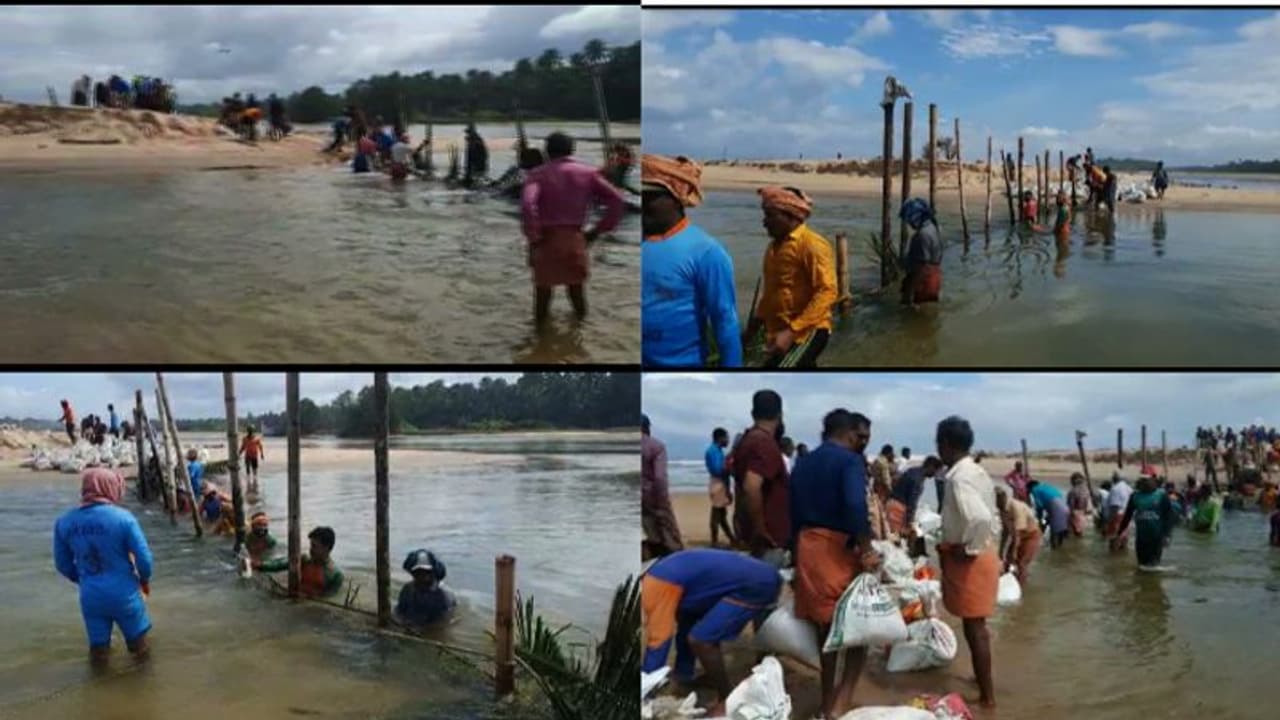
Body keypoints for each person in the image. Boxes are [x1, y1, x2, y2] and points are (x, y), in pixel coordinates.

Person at [788, 409, 879, 719]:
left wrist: (794, 557)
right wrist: (866, 548)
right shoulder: (850, 460)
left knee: (825, 631)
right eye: (861, 437)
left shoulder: (804, 462)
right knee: (858, 627)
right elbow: (855, 505)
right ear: (847, 433)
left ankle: (827, 700)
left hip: (806, 547)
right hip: (836, 549)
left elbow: (794, 511)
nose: (864, 443)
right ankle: (840, 705)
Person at [642, 549, 783, 717]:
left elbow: (659, 640)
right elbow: (684, 620)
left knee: (701, 639)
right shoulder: (660, 572)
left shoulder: (655, 586)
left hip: (758, 585)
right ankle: (684, 675)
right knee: (687, 618)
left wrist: (645, 688)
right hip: (754, 573)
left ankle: (727, 697)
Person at [641, 154, 742, 368]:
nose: (642, 204)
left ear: (676, 198)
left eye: (650, 197)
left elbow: (725, 322)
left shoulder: (707, 252)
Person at [520, 132, 624, 329]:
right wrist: (598, 230)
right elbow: (617, 200)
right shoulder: (587, 173)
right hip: (575, 237)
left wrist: (533, 236)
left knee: (542, 295)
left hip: (546, 239)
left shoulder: (537, 175)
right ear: (572, 150)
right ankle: (581, 336)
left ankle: (540, 340)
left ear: (547, 151)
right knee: (576, 292)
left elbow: (527, 205)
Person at [53, 468, 153, 666]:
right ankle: (145, 690)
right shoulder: (124, 518)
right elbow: (144, 559)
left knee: (98, 650)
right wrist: (144, 579)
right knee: (139, 648)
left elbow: (62, 564)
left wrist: (83, 578)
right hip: (125, 593)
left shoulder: (64, 522)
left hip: (90, 594)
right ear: (111, 487)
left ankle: (96, 688)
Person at [935, 415, 1001, 709]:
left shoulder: (959, 478)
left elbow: (980, 517)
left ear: (946, 444)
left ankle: (988, 697)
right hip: (984, 553)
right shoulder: (976, 472)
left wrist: (968, 548)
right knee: (974, 626)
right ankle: (981, 679)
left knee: (975, 628)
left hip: (972, 558)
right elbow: (992, 516)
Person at [743, 186, 837, 368]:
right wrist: (751, 330)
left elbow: (827, 291)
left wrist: (791, 332)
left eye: (771, 215)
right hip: (780, 332)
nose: (765, 222)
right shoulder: (774, 248)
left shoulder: (811, 244)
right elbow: (772, 293)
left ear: (791, 216)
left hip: (807, 332)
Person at [731, 390, 790, 560]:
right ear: (780, 415)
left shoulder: (747, 439)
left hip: (753, 530)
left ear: (753, 414)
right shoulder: (764, 442)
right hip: (769, 536)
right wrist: (760, 529)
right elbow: (751, 486)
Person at [257, 526, 344, 597]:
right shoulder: (304, 560)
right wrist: (260, 565)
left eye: (314, 546)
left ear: (327, 548)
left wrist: (307, 598)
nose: (311, 549)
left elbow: (328, 598)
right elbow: (279, 564)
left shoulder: (336, 575)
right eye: (310, 545)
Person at [642, 415, 684, 560]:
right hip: (652, 497)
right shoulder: (656, 446)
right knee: (670, 537)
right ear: (647, 428)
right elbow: (659, 478)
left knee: (650, 532)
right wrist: (663, 504)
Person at [1115, 475, 1176, 568]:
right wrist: (1119, 532)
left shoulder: (1161, 495)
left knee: (1154, 566)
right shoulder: (1135, 496)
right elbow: (1127, 516)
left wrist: (1167, 535)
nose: (1146, 483)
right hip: (1141, 538)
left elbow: (1169, 516)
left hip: (1156, 537)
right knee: (1142, 566)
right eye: (1144, 481)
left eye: (1148, 480)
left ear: (1153, 481)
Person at [396, 549, 456, 627]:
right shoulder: (407, 589)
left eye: (427, 572)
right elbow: (399, 611)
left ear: (433, 572)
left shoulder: (443, 594)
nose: (423, 576)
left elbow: (443, 622)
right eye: (418, 572)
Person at [900, 197, 942, 305]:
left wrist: (909, 293)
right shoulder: (933, 228)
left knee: (915, 315)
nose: (908, 223)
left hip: (923, 283)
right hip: (934, 279)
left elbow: (922, 268)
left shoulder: (921, 235)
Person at [996, 487, 1041, 584]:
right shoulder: (1001, 509)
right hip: (1017, 535)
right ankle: (1005, 580)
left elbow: (1018, 534)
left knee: (1022, 563)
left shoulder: (1016, 507)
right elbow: (1005, 532)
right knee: (1007, 560)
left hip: (1030, 535)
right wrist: (1001, 550)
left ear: (1003, 498)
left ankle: (1022, 585)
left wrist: (1014, 551)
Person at [889, 456, 944, 536]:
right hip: (899, 510)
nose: (935, 474)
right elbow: (912, 503)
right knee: (898, 538)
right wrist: (909, 522)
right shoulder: (918, 480)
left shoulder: (912, 470)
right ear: (931, 467)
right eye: (935, 471)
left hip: (892, 504)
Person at [705, 428, 736, 548]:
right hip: (718, 483)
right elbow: (718, 470)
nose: (728, 440)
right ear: (720, 438)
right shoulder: (713, 451)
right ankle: (714, 542)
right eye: (726, 437)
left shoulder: (717, 450)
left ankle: (732, 539)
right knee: (717, 513)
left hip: (720, 483)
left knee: (721, 514)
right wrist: (729, 464)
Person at [1027, 480, 1070, 548]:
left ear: (1030, 487)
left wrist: (1039, 518)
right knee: (1058, 530)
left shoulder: (1034, 489)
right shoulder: (1046, 487)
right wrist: (1042, 522)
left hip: (1056, 510)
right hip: (1065, 508)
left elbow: (1039, 506)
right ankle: (1060, 548)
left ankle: (1054, 550)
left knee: (1054, 534)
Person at [1105, 472, 1134, 550]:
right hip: (1127, 516)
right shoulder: (1129, 488)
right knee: (1124, 540)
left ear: (1114, 479)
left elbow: (1115, 506)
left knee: (1114, 541)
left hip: (1118, 516)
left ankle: (1113, 559)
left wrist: (1109, 520)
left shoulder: (1115, 488)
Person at [239, 426, 264, 494]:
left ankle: (255, 480)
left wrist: (262, 454)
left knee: (254, 469)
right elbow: (243, 447)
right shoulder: (245, 439)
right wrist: (239, 453)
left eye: (251, 430)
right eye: (249, 430)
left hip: (254, 456)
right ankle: (248, 481)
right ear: (248, 431)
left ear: (253, 431)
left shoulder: (256, 439)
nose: (250, 432)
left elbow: (260, 446)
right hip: (247, 456)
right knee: (247, 468)